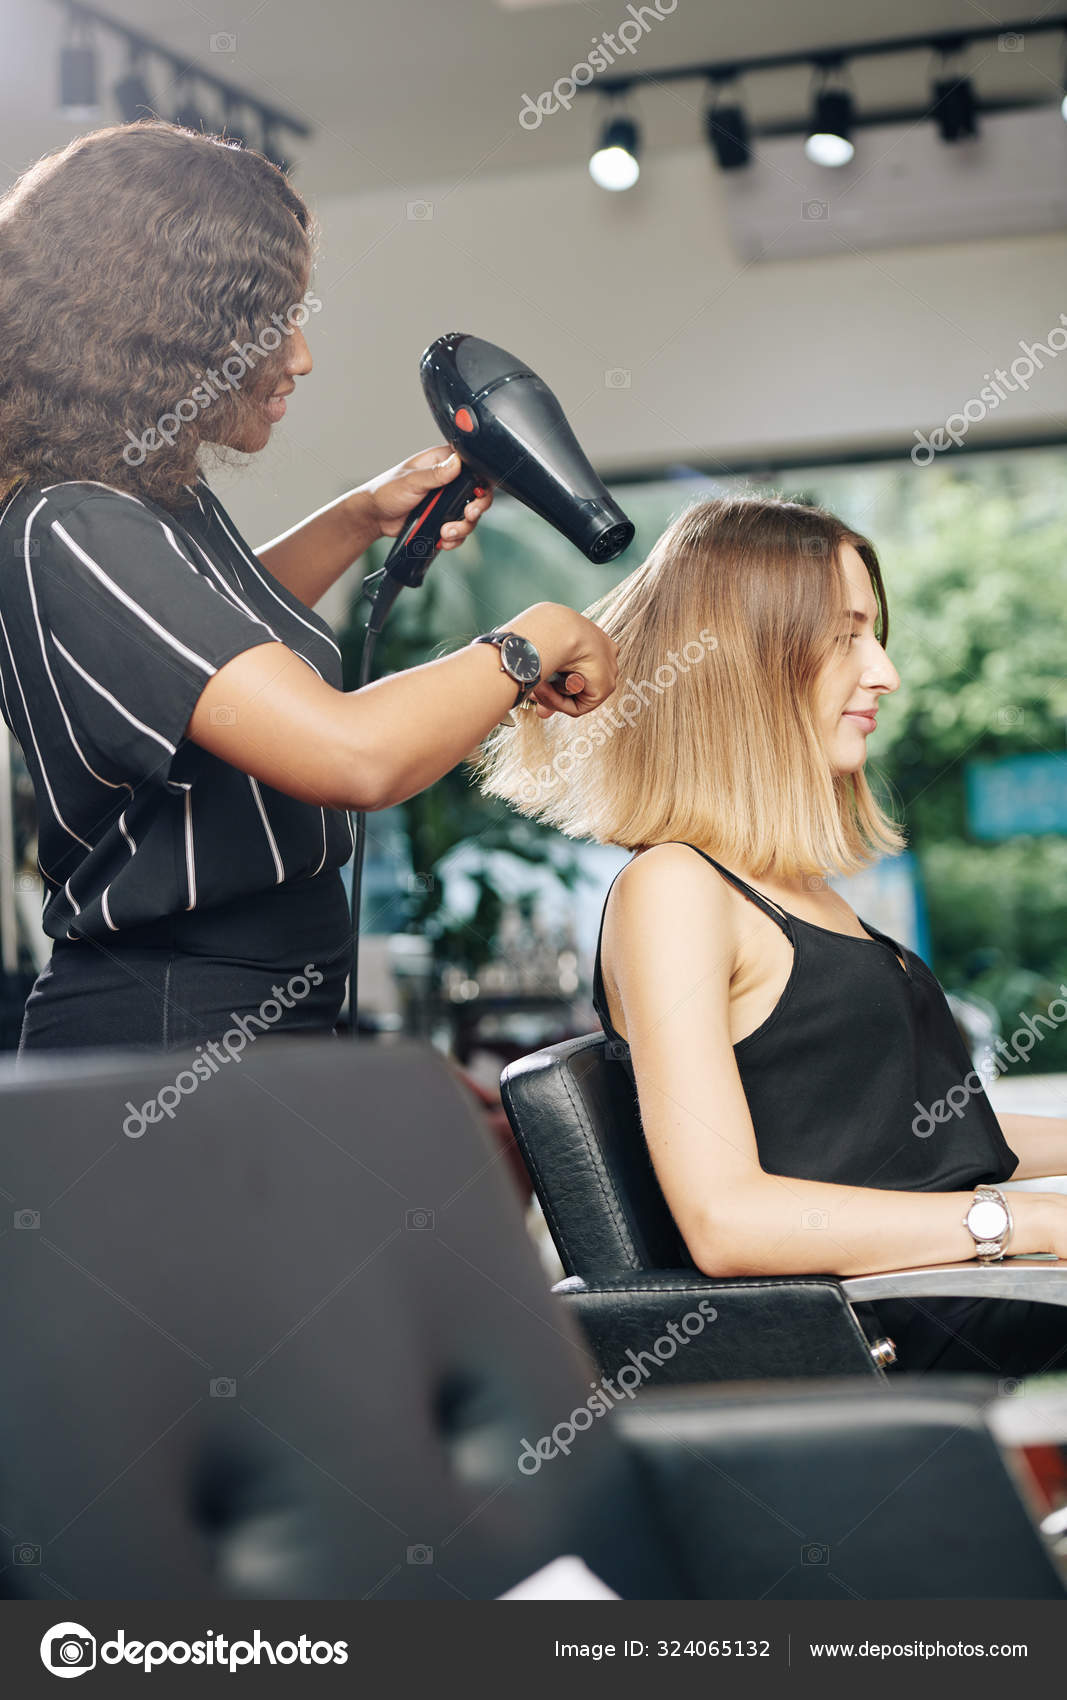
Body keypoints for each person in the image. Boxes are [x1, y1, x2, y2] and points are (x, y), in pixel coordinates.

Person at [0, 121, 617, 1053]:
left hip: (268, 1010)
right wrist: (528, 640)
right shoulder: (74, 526)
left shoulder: (149, 498)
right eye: (268, 323)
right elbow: (351, 756)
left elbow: (214, 651)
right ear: (166, 333)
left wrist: (360, 517)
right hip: (168, 1034)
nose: (300, 357)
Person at [473, 494, 1067, 1379]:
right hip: (876, 1327)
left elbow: (900, 1141)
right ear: (747, 665)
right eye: (846, 636)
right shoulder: (674, 888)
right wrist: (1018, 1223)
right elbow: (726, 1220)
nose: (883, 673)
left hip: (939, 1292)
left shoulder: (791, 890)